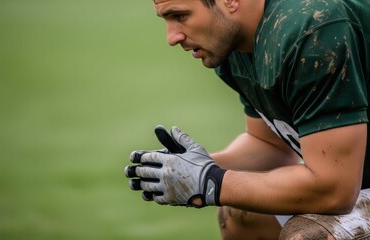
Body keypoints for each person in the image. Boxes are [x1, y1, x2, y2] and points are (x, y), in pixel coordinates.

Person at [124, 0, 370, 239]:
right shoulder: (234, 42)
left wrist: (213, 183)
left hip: (344, 183)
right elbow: (271, 145)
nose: (172, 37)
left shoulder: (311, 27)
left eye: (180, 16)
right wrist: (195, 168)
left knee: (310, 236)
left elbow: (334, 191)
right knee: (240, 215)